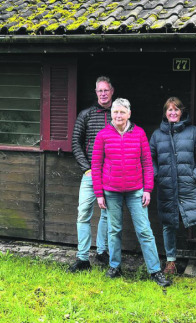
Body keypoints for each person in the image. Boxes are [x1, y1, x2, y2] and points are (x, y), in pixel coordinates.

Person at [91, 98, 171, 287]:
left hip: (136, 190)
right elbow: (96, 165)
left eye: (122, 112)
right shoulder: (103, 135)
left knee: (144, 231)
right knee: (114, 230)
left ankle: (155, 271)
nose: (118, 115)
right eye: (115, 112)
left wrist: (148, 189)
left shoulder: (139, 133)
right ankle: (115, 266)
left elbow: (147, 164)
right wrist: (99, 193)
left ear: (129, 114)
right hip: (111, 191)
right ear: (111, 114)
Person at [149, 97, 196, 275]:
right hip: (166, 187)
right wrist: (158, 176)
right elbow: (150, 159)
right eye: (169, 110)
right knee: (168, 226)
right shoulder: (157, 135)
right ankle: (170, 261)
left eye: (176, 109)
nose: (173, 113)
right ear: (165, 113)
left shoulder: (193, 132)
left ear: (181, 112)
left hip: (189, 186)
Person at [67, 76, 113, 272]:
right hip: (90, 174)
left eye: (106, 90)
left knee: (108, 214)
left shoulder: (119, 114)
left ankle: (103, 252)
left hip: (111, 174)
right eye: (99, 90)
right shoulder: (86, 114)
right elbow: (75, 143)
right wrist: (86, 168)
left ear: (112, 91)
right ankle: (83, 258)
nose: (103, 93)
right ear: (96, 93)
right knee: (83, 214)